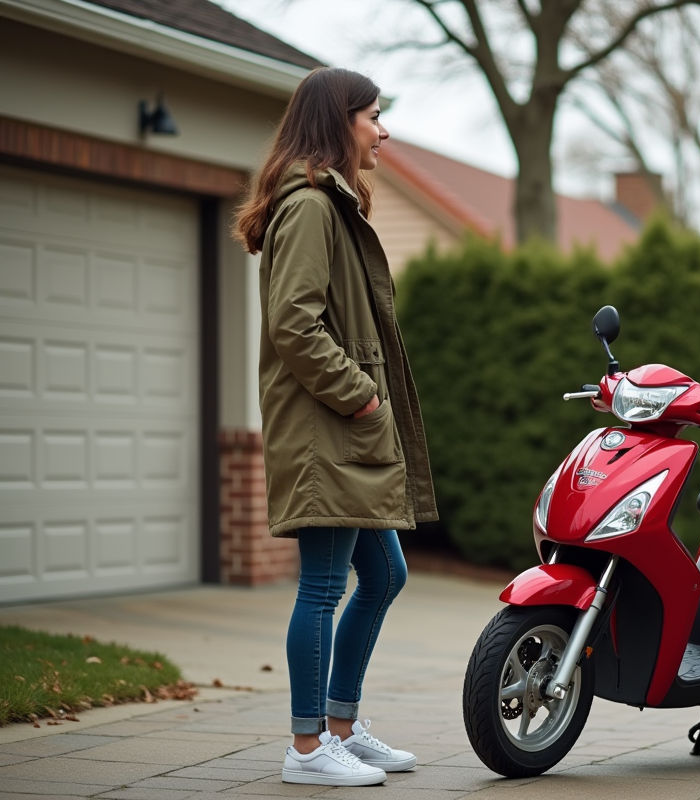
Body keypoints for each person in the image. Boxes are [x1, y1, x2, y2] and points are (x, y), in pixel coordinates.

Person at [234, 67, 438, 788]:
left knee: (384, 573)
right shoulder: (313, 207)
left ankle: (341, 726)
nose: (383, 130)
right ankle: (308, 748)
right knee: (323, 586)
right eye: (374, 116)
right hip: (328, 427)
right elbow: (294, 322)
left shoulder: (333, 203)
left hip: (346, 428)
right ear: (338, 121)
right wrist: (360, 398)